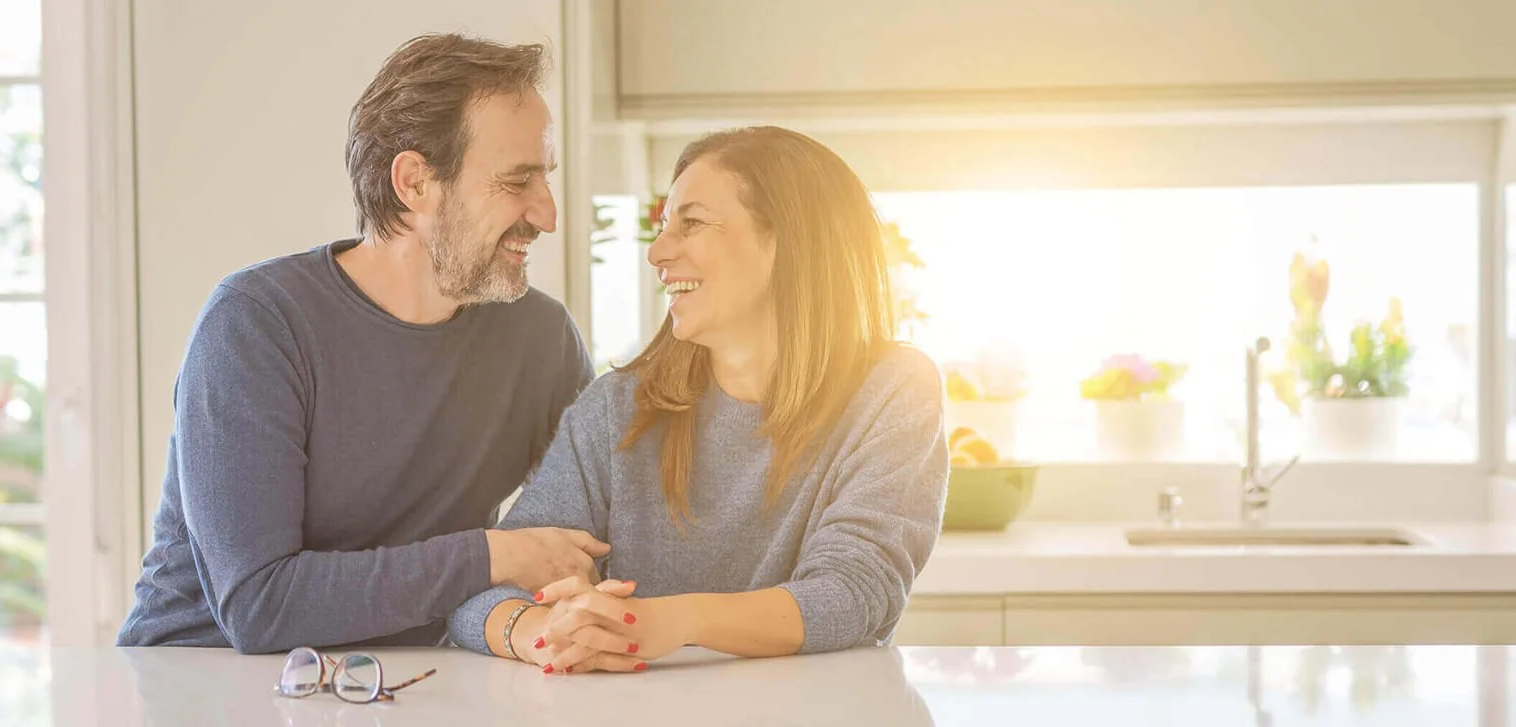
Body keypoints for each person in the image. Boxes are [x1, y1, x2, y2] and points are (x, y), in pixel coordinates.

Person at [116, 33, 611, 655]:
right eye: (518, 181)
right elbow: (259, 606)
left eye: (545, 178)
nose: (548, 214)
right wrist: (493, 556)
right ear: (415, 183)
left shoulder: (540, 337)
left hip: (406, 677)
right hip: (200, 675)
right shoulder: (258, 324)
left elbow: (600, 522)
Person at [447, 126, 949, 673]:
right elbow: (485, 591)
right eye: (663, 226)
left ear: (789, 242)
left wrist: (668, 622)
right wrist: (541, 632)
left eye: (692, 224)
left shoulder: (892, 390)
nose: (657, 252)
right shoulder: (616, 409)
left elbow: (853, 592)